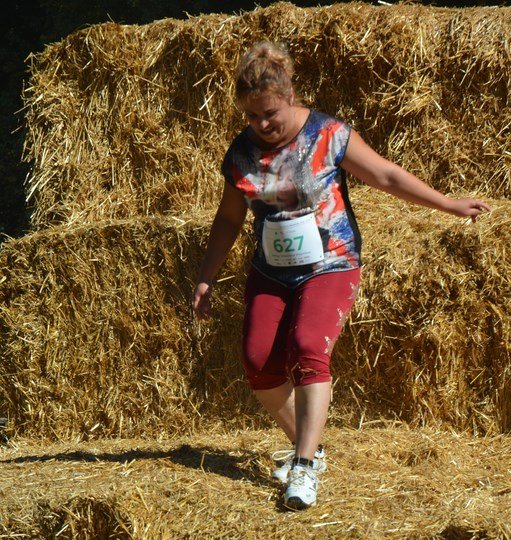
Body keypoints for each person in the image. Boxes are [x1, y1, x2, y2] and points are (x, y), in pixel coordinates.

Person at [192, 41, 490, 511]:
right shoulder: (240, 152)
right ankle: (311, 447)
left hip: (330, 263)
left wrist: (449, 205)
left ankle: (303, 467)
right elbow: (229, 218)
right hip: (271, 271)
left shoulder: (328, 134)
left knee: (309, 347)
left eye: (270, 114)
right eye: (252, 116)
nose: (262, 125)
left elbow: (386, 176)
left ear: (289, 96)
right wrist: (206, 276)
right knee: (258, 362)